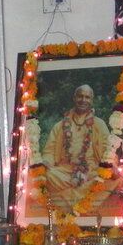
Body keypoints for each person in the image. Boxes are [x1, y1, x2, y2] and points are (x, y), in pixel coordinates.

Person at [40, 83, 113, 213]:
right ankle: (78, 196)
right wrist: (46, 162)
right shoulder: (60, 126)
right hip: (64, 171)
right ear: (74, 98)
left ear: (91, 100)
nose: (83, 100)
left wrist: (108, 166)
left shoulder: (99, 124)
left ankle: (72, 199)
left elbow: (109, 151)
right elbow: (49, 151)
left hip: (90, 171)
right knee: (47, 174)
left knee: (103, 178)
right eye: (80, 96)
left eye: (87, 97)